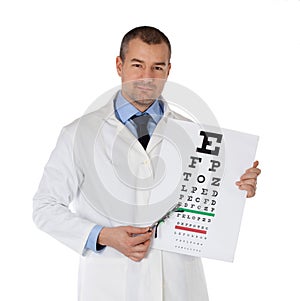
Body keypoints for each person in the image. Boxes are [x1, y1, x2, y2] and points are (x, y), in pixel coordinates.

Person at [33, 26, 261, 301]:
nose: (146, 78)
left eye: (157, 67)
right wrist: (103, 236)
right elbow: (44, 208)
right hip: (109, 285)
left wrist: (238, 187)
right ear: (120, 65)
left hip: (179, 285)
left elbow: (206, 204)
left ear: (168, 71)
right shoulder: (79, 134)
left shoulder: (194, 133)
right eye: (137, 65)